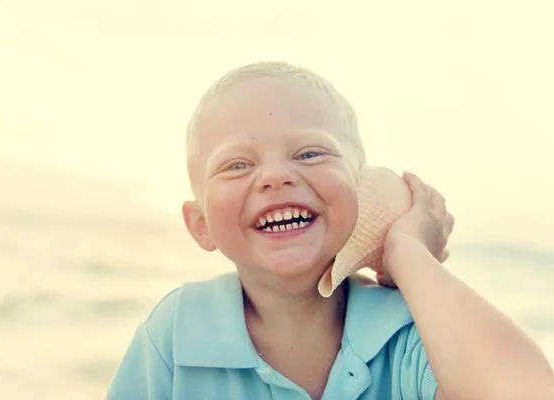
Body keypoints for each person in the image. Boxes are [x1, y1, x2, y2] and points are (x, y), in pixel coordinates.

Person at [106, 61, 554, 400]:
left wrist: (407, 252)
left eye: (310, 154)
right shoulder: (178, 333)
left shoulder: (408, 332)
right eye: (237, 164)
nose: (275, 176)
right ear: (201, 225)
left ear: (361, 186)